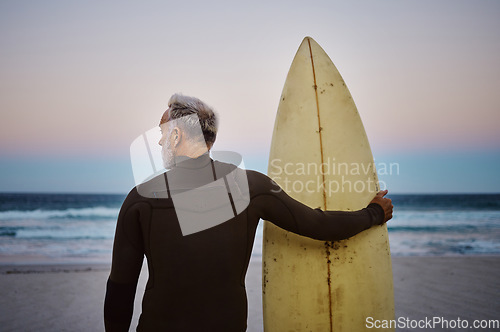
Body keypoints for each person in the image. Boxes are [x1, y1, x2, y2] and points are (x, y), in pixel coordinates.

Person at [104, 94, 393, 331]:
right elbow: (317, 224)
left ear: (177, 135)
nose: (158, 142)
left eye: (162, 132)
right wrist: (373, 213)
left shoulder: (140, 199)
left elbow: (120, 287)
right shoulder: (251, 187)